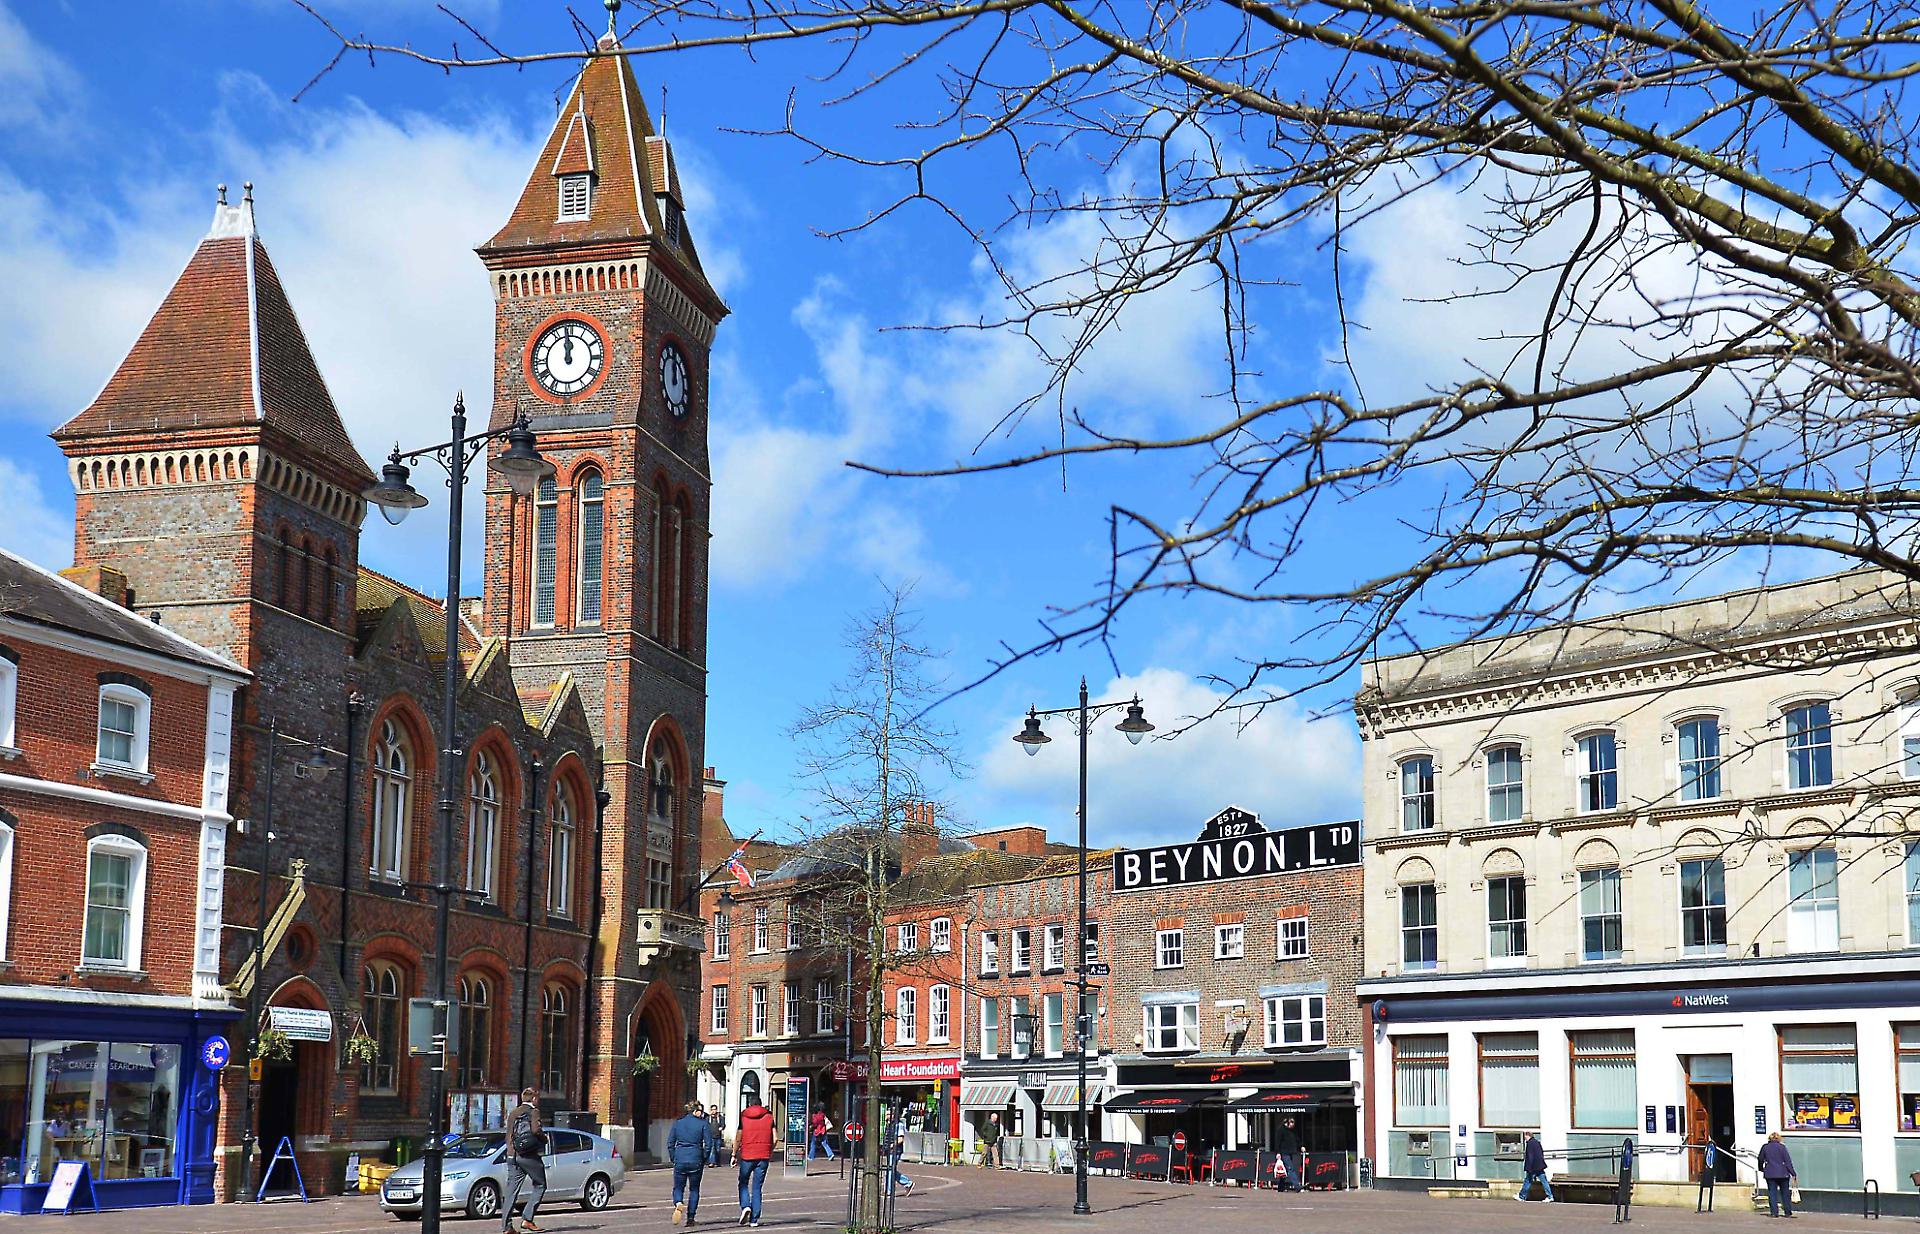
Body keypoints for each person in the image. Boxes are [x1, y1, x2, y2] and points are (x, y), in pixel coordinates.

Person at [502, 1086, 548, 1234]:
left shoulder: (513, 1112)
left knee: (511, 1192)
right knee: (540, 1184)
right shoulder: (534, 1111)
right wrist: (544, 1138)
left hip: (512, 1155)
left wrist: (511, 1152)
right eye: (537, 1098)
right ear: (534, 1098)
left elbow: (508, 1134)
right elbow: (535, 1130)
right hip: (528, 1155)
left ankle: (507, 1227)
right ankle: (527, 1219)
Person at [669, 1100, 721, 1226]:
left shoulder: (678, 1123)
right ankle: (691, 1217)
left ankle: (678, 1202)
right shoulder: (703, 1124)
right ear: (695, 1111)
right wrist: (704, 1158)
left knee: (678, 1187)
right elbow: (709, 1144)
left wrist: (673, 1157)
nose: (702, 1114)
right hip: (696, 1158)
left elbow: (670, 1143)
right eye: (700, 1111)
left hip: (680, 1158)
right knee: (694, 1189)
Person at [736, 1096, 775, 1227]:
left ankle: (746, 1205)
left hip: (747, 1154)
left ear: (749, 1104)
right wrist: (770, 1150)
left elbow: (738, 1137)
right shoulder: (769, 1116)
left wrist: (733, 1154)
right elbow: (775, 1138)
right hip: (763, 1155)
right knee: (757, 1187)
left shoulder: (743, 1116)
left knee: (743, 1182)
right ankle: (754, 1220)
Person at [1758, 1132, 1798, 1219]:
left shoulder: (1765, 1147)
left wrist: (1761, 1169)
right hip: (1783, 1173)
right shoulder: (1782, 1147)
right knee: (1785, 1193)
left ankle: (1774, 1212)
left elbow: (1760, 1159)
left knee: (1772, 1193)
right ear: (1779, 1138)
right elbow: (1787, 1161)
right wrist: (1793, 1173)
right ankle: (1787, 1212)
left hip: (1770, 1173)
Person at [1517, 1131, 1555, 1203]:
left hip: (1533, 1167)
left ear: (1528, 1136)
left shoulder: (1530, 1144)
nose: (1524, 1138)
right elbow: (1541, 1153)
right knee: (1544, 1181)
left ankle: (1521, 1196)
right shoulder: (1537, 1142)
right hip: (1540, 1165)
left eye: (1525, 1136)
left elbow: (1530, 1156)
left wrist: (1529, 1167)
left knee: (1528, 1181)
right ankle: (1550, 1196)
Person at [885, 1107, 913, 1197]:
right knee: (891, 1169)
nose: (887, 1116)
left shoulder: (899, 1125)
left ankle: (889, 1191)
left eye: (888, 1114)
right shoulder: (889, 1124)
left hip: (895, 1151)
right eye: (886, 1114)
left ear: (893, 1115)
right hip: (889, 1150)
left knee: (890, 1170)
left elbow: (901, 1139)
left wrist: (892, 1145)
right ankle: (908, 1183)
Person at [1274, 1117, 1303, 1191]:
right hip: (1284, 1152)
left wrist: (1301, 1146)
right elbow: (1278, 1142)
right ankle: (1297, 1186)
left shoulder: (1293, 1131)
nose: (1293, 1124)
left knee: (1285, 1169)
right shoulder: (1281, 1130)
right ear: (1287, 1122)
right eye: (1291, 1122)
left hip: (1290, 1152)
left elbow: (1296, 1139)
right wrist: (1278, 1152)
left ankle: (1280, 1187)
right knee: (1290, 1169)